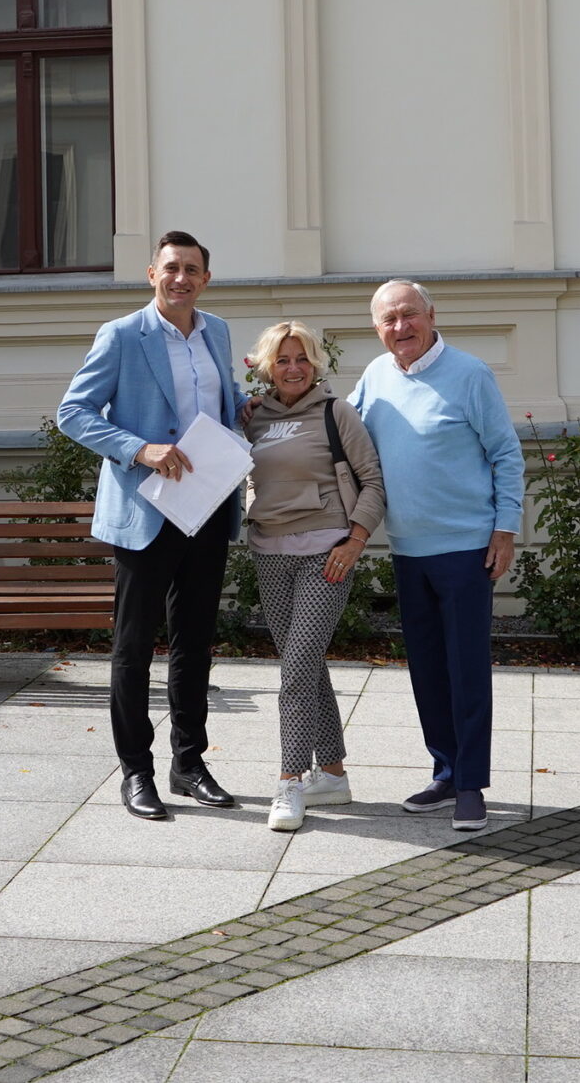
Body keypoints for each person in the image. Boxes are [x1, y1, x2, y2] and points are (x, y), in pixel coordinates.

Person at [57, 231, 247, 821]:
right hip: (145, 511)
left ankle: (189, 765)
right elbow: (73, 413)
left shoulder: (215, 330)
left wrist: (248, 412)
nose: (181, 278)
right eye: (171, 268)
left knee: (194, 642)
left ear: (205, 279)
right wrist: (140, 449)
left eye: (192, 269)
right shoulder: (121, 335)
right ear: (151, 274)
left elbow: (219, 407)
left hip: (207, 508)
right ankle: (136, 772)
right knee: (134, 646)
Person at [348, 279, 522, 832]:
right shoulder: (375, 376)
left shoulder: (470, 374)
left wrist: (506, 529)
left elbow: (506, 454)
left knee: (466, 667)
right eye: (388, 321)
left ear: (430, 314)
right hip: (407, 548)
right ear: (377, 329)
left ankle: (472, 785)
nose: (400, 328)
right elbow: (337, 430)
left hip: (467, 549)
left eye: (408, 316)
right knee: (427, 668)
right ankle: (445, 772)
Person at [239, 320, 386, 833]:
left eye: (302, 358)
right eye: (282, 360)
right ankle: (336, 774)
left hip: (326, 554)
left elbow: (372, 482)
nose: (294, 368)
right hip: (269, 551)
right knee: (305, 665)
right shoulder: (253, 417)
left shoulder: (335, 413)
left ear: (316, 362)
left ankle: (290, 781)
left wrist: (356, 540)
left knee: (296, 671)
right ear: (266, 366)